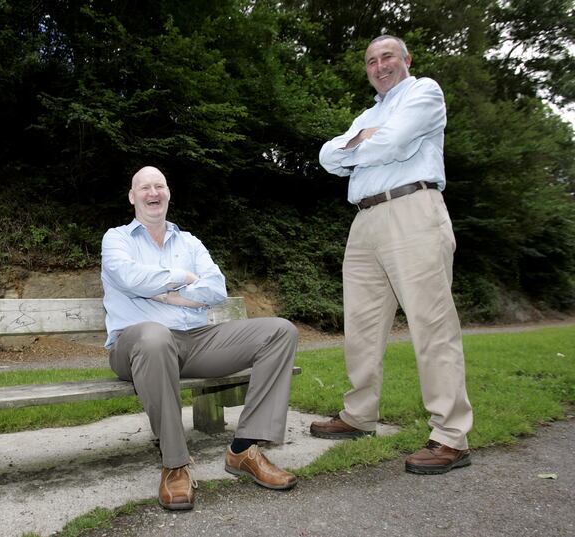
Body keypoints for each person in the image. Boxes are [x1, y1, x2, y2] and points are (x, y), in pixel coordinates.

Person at [312, 35, 474, 475]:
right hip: (365, 220)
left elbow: (396, 144)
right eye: (371, 61)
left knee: (432, 324)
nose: (379, 65)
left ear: (406, 60)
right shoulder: (369, 113)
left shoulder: (425, 92)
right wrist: (362, 141)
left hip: (413, 210)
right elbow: (327, 156)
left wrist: (357, 148)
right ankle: (359, 415)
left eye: (387, 57)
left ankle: (450, 436)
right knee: (360, 326)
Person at [101, 165, 298, 510]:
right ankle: (175, 465)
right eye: (144, 187)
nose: (153, 193)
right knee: (155, 336)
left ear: (168, 193)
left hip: (195, 339)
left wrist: (163, 292)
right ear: (133, 197)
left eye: (159, 186)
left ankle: (244, 450)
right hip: (135, 345)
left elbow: (216, 288)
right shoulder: (117, 238)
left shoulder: (189, 241)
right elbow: (130, 277)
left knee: (280, 331)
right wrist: (183, 279)